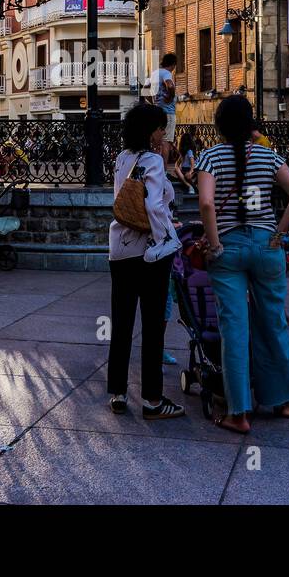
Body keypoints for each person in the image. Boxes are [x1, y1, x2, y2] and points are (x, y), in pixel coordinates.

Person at [195, 94, 289, 432]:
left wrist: (214, 244)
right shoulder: (268, 155)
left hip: (228, 249)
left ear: (219, 124)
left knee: (234, 329)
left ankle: (239, 413)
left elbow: (205, 204)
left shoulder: (209, 157)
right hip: (265, 246)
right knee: (273, 321)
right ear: (250, 124)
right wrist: (278, 233)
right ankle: (285, 400)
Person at [106, 101, 184, 419]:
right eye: (160, 127)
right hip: (149, 251)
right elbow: (153, 205)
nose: (163, 132)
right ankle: (152, 399)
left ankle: (118, 392)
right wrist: (166, 235)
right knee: (152, 325)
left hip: (120, 249)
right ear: (149, 130)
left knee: (122, 322)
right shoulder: (151, 160)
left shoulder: (122, 158)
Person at [150, 52, 178, 168]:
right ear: (173, 65)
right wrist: (170, 97)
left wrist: (153, 102)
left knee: (156, 141)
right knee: (166, 141)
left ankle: (156, 167)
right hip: (168, 112)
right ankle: (164, 170)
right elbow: (170, 86)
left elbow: (146, 88)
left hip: (157, 111)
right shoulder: (167, 73)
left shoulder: (154, 73)